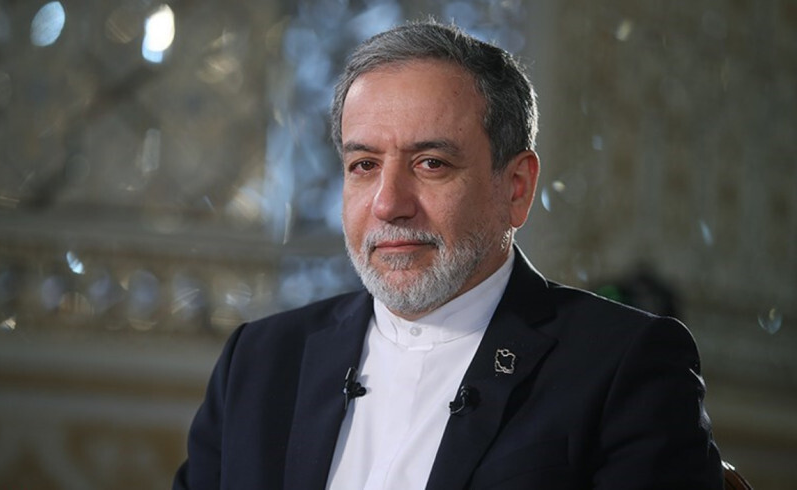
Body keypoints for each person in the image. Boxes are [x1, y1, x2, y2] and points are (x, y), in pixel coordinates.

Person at [173, 20, 723, 490]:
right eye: (364, 165)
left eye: (431, 163)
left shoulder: (623, 365)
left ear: (516, 187)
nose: (389, 204)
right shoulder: (261, 360)